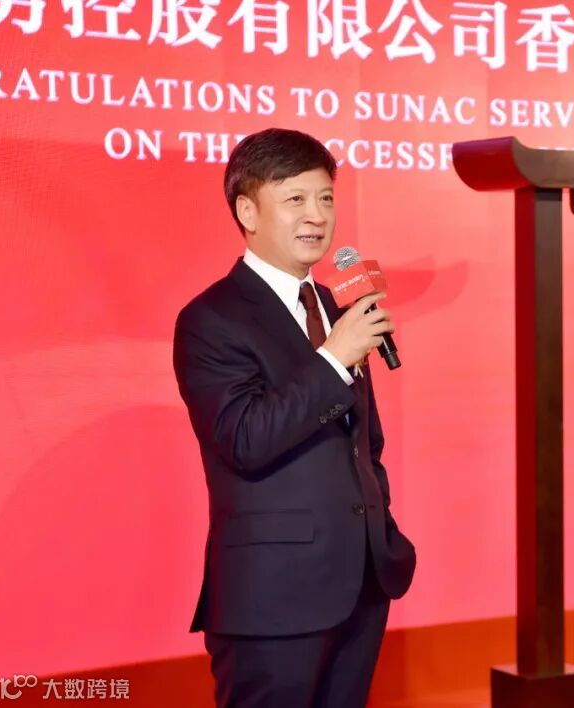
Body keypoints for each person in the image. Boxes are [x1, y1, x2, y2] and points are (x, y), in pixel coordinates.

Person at [172, 127, 416, 707]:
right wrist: (333, 358)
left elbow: (364, 442)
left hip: (363, 582)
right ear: (247, 211)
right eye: (296, 199)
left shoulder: (335, 305)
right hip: (273, 597)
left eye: (326, 198)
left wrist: (380, 529)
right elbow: (244, 438)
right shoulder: (211, 319)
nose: (317, 215)